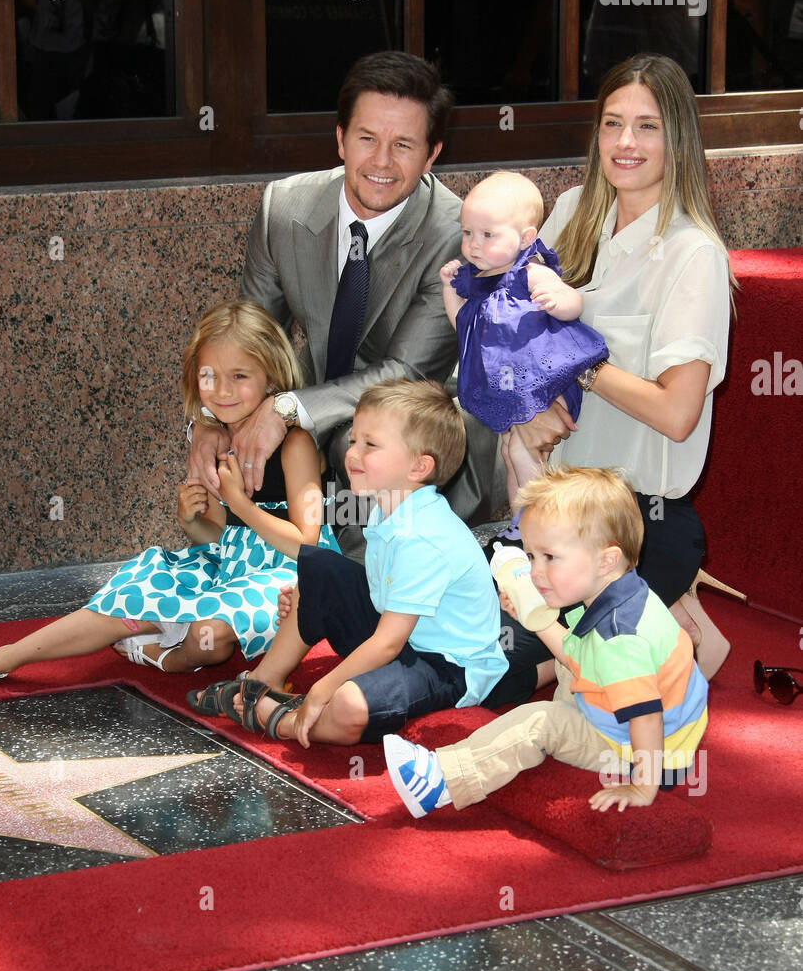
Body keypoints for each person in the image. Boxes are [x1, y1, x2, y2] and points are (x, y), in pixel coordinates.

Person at [0, 301, 337, 689]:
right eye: (209, 376)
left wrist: (241, 504)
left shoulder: (295, 444)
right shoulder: (213, 441)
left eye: (240, 377)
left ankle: (166, 656)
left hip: (289, 579)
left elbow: (308, 545)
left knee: (213, 633)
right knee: (130, 596)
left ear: (273, 377)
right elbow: (223, 543)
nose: (222, 391)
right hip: (226, 571)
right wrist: (193, 523)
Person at [487, 52, 733, 710]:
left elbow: (678, 413)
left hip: (637, 520)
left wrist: (582, 364)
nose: (626, 144)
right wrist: (526, 406)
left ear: (677, 138)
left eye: (648, 127)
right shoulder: (572, 212)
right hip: (554, 508)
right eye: (613, 123)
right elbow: (518, 330)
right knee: (461, 638)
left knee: (503, 674)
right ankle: (671, 627)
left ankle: (661, 625)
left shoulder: (693, 253)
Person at [188, 50, 506, 554]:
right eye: (366, 139)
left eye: (403, 145)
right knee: (229, 447)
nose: (381, 161)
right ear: (340, 138)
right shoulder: (285, 208)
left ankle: (365, 591)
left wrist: (288, 409)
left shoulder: (454, 236)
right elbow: (247, 341)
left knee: (356, 446)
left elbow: (406, 373)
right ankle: (238, 583)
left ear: (432, 154)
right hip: (318, 400)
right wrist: (209, 422)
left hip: (421, 417)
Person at [185, 379, 507, 746]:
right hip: (403, 637)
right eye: (354, 440)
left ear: (419, 467)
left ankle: (286, 720)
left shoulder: (422, 536)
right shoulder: (388, 510)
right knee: (318, 567)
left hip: (444, 666)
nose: (352, 453)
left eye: (370, 444)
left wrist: (324, 687)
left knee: (350, 704)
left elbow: (387, 643)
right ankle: (262, 681)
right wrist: (314, 597)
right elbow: (372, 594)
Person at [384, 466, 709, 818]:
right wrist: (533, 616)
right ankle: (571, 723)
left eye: (549, 557)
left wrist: (643, 785)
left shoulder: (620, 639)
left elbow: (645, 718)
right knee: (566, 658)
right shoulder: (618, 594)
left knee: (542, 721)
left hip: (641, 751)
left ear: (606, 559)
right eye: (531, 555)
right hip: (638, 721)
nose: (535, 571)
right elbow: (575, 655)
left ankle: (442, 781)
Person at [440, 169, 607, 536]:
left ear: (525, 237)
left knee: (521, 451)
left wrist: (558, 300)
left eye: (488, 235)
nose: (474, 245)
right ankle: (519, 522)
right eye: (467, 233)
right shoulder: (476, 282)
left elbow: (575, 303)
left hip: (542, 379)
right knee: (509, 451)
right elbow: (461, 324)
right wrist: (449, 289)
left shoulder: (527, 273)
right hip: (507, 386)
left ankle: (536, 520)